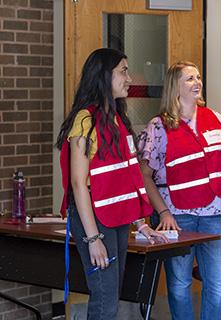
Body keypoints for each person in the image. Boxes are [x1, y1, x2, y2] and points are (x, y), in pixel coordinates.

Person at [56, 48, 166, 319]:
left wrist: (141, 224)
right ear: (104, 76)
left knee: (111, 296)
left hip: (116, 219)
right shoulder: (85, 120)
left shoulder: (118, 119)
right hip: (94, 219)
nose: (129, 78)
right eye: (123, 71)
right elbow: (78, 184)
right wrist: (93, 238)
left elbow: (127, 178)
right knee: (105, 301)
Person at [138, 61, 221, 320]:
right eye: (189, 79)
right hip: (177, 216)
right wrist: (162, 213)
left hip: (216, 214)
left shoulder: (214, 118)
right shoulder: (159, 126)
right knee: (180, 285)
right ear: (175, 87)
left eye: (198, 77)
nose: (197, 83)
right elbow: (144, 175)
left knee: (217, 285)